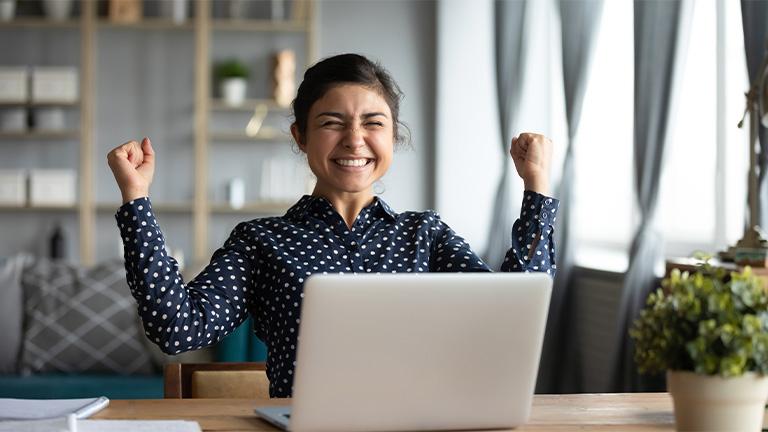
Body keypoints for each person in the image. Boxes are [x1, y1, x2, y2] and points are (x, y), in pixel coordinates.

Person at [107, 53, 559, 398]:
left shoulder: (426, 235)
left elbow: (509, 316)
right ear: (300, 136)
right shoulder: (260, 241)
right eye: (332, 122)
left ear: (392, 136)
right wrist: (136, 200)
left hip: (421, 423)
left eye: (373, 123)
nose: (354, 139)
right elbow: (176, 328)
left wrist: (536, 188)